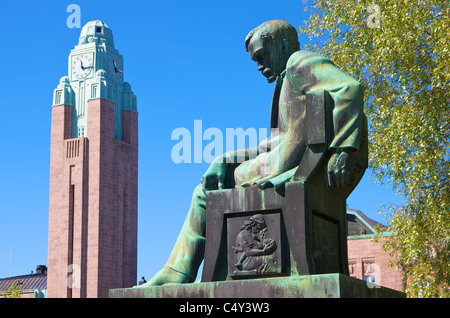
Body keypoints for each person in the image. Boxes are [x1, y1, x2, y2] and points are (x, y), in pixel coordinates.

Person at [140, 20, 365, 286]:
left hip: (282, 168)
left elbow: (350, 88)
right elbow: (271, 144)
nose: (259, 65)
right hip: (278, 162)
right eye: (255, 59)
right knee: (213, 179)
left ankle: (178, 271)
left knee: (204, 193)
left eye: (261, 55)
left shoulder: (299, 63)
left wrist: (344, 148)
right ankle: (179, 270)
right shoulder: (285, 81)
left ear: (282, 45)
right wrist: (223, 160)